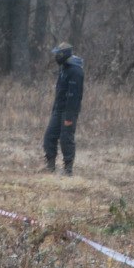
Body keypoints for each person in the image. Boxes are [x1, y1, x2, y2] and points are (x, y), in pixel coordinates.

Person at [42, 42, 85, 176]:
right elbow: (60, 92)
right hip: (58, 109)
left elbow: (75, 97)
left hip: (69, 111)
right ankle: (50, 167)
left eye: (58, 54)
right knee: (49, 137)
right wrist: (55, 109)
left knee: (66, 138)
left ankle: (68, 169)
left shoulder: (76, 71)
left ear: (64, 54)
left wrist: (69, 116)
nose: (56, 57)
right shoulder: (64, 68)